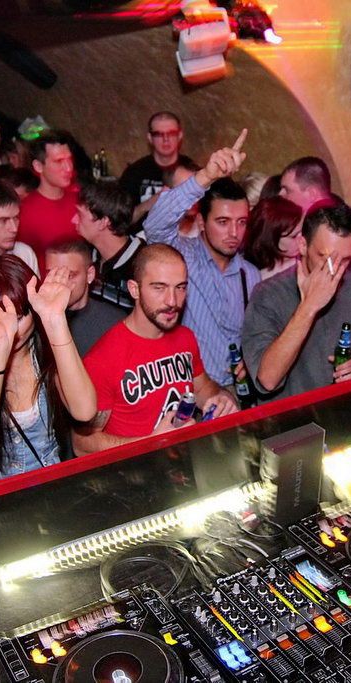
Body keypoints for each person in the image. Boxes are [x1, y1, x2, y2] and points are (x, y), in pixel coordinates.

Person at [0, 256, 96, 489]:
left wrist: (55, 321)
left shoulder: (43, 350)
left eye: (19, 317)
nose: (11, 329)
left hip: (43, 485)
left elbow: (84, 411)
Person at [74, 244, 238, 454]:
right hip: (137, 471)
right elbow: (82, 444)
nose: (172, 301)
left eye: (180, 287)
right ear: (134, 289)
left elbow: (202, 388)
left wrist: (221, 399)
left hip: (185, 463)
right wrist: (149, 443)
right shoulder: (103, 358)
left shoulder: (185, 337)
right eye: (159, 288)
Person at [242, 199, 351, 402]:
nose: (336, 269)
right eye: (327, 258)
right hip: (294, 419)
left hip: (344, 414)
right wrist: (309, 306)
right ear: (303, 245)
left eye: (346, 260)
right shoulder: (268, 295)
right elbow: (267, 380)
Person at [142, 131, 260, 386]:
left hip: (234, 392)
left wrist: (252, 356)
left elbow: (255, 333)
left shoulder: (250, 274)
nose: (234, 232)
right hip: (188, 391)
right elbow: (155, 227)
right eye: (223, 222)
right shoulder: (182, 255)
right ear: (201, 222)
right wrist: (206, 176)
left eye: (241, 222)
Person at [44, 239, 126, 357]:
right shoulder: (36, 322)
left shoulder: (114, 323)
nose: (60, 282)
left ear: (90, 275)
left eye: (69, 275)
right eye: (51, 274)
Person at [76, 179, 143, 310]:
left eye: (79, 215)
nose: (73, 219)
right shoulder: (85, 253)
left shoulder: (142, 264)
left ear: (103, 222)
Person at [119, 112, 195, 224]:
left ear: (179, 135)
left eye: (171, 133)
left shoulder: (191, 170)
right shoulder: (134, 173)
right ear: (150, 138)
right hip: (143, 234)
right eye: (159, 134)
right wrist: (149, 204)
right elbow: (119, 222)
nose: (166, 139)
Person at [18, 131, 79, 262]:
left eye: (69, 159)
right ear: (38, 166)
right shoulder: (25, 212)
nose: (68, 168)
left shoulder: (79, 200)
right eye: (59, 161)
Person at [243, 196, 304, 279]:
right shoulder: (257, 279)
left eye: (303, 230)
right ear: (269, 240)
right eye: (293, 236)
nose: (303, 239)